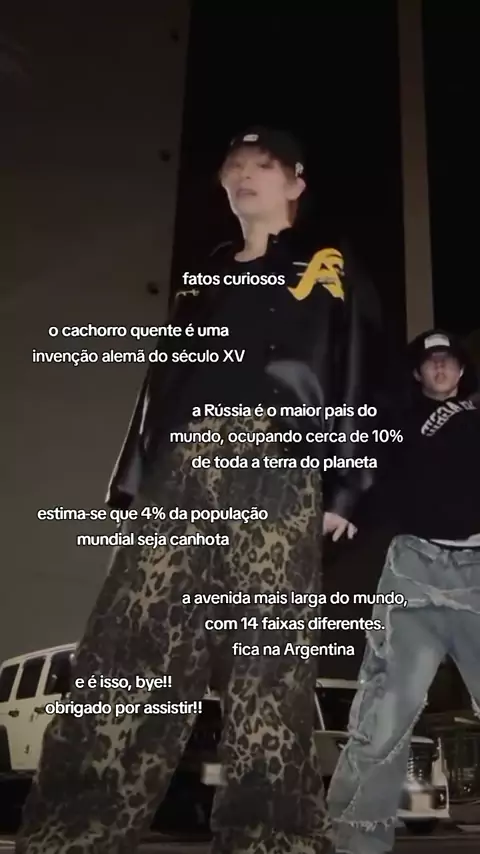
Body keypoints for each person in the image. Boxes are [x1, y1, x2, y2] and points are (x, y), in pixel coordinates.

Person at [17, 127, 374, 854]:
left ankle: (270, 836)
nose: (245, 176)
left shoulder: (329, 269)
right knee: (131, 642)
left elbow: (359, 375)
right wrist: (134, 482)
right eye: (234, 167)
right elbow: (163, 381)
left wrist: (345, 489)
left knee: (268, 657)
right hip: (183, 469)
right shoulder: (204, 277)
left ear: (295, 183)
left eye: (262, 166)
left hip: (276, 465)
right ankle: (78, 829)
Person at [327, 329, 480, 854]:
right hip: (414, 570)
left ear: (461, 370)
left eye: (448, 361)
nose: (440, 368)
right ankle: (354, 841)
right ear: (418, 373)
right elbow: (368, 468)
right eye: (431, 361)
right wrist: (346, 507)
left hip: (477, 573)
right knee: (386, 710)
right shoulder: (396, 420)